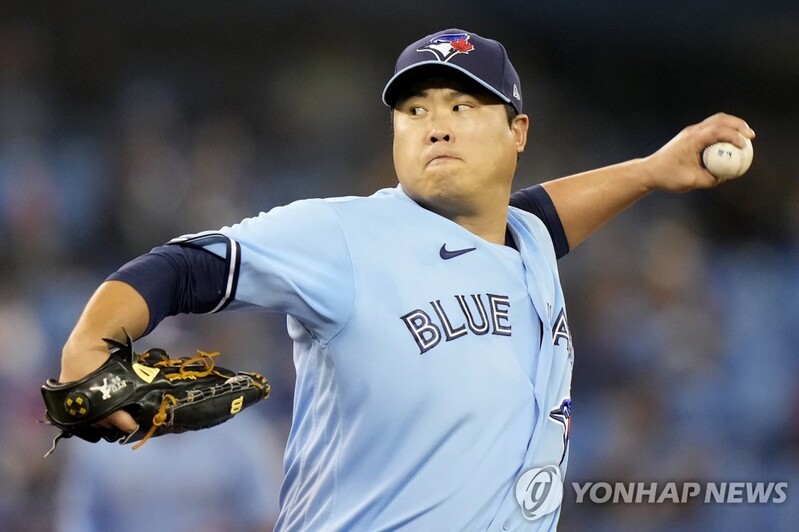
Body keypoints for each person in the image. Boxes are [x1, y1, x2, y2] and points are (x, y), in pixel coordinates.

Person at [57, 28, 755, 530]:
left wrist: (649, 171)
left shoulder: (528, 240)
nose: (436, 126)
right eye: (415, 110)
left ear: (517, 131)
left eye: (462, 106)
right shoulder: (343, 236)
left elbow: (539, 214)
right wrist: (91, 341)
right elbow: (184, 266)